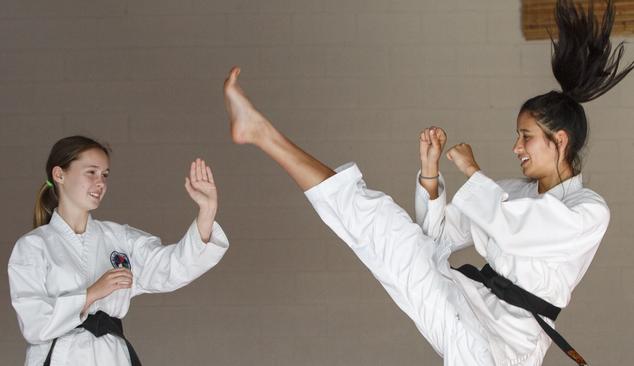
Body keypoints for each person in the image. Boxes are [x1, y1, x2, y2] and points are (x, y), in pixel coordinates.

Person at [221, 1, 631, 364]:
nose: (516, 147)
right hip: (464, 301)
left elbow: (520, 230)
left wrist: (473, 174)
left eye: (525, 137)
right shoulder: (508, 193)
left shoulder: (589, 210)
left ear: (560, 140)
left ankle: (261, 134)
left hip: (507, 349)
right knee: (383, 225)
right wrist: (431, 174)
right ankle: (261, 133)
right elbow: (435, 240)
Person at [8, 136, 229, 366]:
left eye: (105, 175)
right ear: (59, 174)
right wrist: (92, 293)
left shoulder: (120, 238)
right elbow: (34, 324)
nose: (100, 182)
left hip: (112, 357)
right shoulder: (33, 246)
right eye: (91, 172)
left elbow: (173, 267)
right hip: (61, 357)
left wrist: (207, 210)